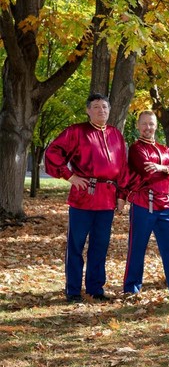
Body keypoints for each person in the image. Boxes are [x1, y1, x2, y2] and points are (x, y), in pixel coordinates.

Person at [44, 93, 128, 303]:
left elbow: (123, 169)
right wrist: (69, 176)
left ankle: (95, 289)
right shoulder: (77, 132)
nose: (102, 111)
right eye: (97, 107)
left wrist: (122, 196)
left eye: (105, 107)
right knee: (76, 245)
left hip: (107, 199)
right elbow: (52, 152)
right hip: (83, 196)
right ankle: (73, 290)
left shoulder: (116, 134)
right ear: (88, 110)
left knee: (100, 246)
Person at [122, 110, 169, 299]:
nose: (148, 128)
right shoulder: (136, 149)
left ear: (156, 126)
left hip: (165, 205)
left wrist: (163, 168)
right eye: (144, 124)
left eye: (151, 124)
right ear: (138, 126)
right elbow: (147, 173)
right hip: (143, 204)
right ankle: (131, 288)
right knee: (137, 246)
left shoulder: (165, 150)